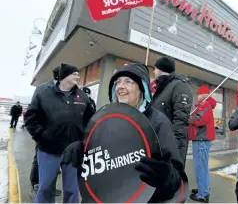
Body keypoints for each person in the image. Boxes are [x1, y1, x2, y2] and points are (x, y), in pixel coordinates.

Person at [61, 63, 186, 202]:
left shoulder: (158, 122)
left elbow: (177, 180)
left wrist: (167, 176)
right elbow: (97, 156)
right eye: (118, 82)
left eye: (128, 81)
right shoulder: (105, 119)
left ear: (142, 88)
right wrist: (82, 150)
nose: (120, 86)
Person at [24, 63, 95, 203]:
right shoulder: (43, 92)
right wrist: (41, 136)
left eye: (78, 74)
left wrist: (83, 142)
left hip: (73, 152)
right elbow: (30, 117)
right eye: (74, 74)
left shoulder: (82, 96)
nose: (78, 76)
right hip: (48, 150)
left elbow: (90, 121)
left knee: (72, 189)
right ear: (64, 76)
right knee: (45, 188)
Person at [151, 56, 193, 165]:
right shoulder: (161, 88)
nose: (154, 71)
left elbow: (181, 121)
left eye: (155, 68)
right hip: (157, 145)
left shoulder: (180, 86)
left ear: (161, 69)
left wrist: (173, 151)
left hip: (169, 150)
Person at [28, 66, 62, 196]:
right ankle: (36, 184)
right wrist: (39, 133)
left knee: (53, 161)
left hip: (57, 134)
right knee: (39, 159)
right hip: (44, 133)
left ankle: (48, 187)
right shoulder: (43, 89)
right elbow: (33, 114)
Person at [188, 85, 216, 203]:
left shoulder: (204, 105)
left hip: (201, 140)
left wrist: (188, 118)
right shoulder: (205, 105)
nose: (197, 96)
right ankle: (203, 188)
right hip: (202, 140)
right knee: (202, 166)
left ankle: (203, 194)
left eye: (199, 94)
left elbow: (200, 120)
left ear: (204, 95)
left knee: (200, 167)